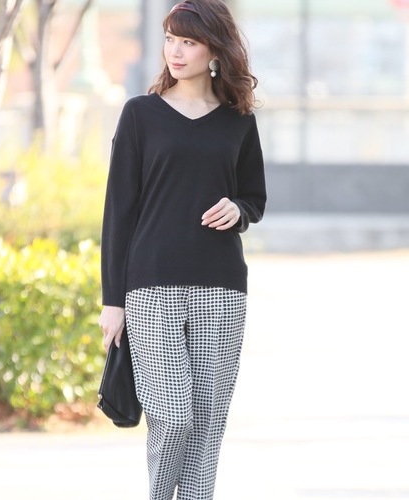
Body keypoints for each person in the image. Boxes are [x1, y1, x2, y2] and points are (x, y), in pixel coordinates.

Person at [98, 1, 266, 498]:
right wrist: (113, 301)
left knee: (207, 424)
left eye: (188, 41)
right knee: (172, 417)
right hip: (151, 289)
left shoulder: (238, 120)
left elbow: (254, 198)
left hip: (222, 289)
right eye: (171, 38)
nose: (175, 50)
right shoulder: (140, 114)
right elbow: (118, 212)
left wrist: (238, 209)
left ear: (215, 50)